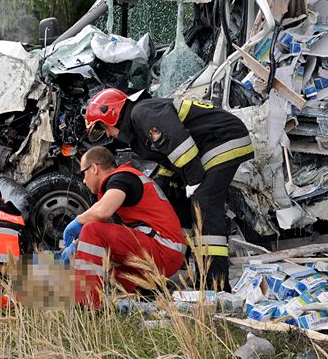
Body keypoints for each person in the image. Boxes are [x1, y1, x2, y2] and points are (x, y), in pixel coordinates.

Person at [84, 89, 254, 291]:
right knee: (179, 203)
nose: (108, 134)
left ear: (110, 113)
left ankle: (215, 284)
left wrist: (194, 179)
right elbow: (167, 156)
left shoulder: (141, 113)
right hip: (208, 145)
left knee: (204, 203)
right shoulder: (138, 131)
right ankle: (196, 271)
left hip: (223, 139)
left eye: (104, 127)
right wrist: (166, 184)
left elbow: (179, 143)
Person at [62, 146, 186, 307]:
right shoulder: (125, 178)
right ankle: (140, 296)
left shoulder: (121, 178)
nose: (84, 180)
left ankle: (87, 304)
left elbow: (102, 212)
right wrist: (77, 246)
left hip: (163, 249)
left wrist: (77, 222)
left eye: (83, 173)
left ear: (94, 168)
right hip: (162, 251)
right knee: (114, 283)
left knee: (91, 230)